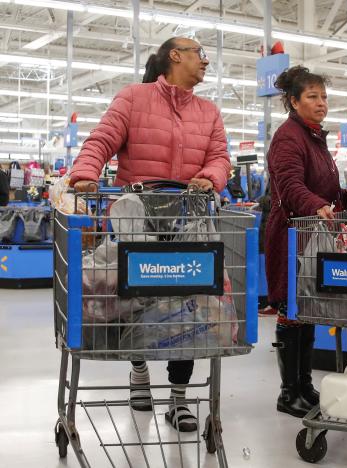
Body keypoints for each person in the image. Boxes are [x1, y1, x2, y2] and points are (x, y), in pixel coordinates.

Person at [69, 36, 231, 430]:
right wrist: (85, 174)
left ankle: (178, 399)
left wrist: (211, 177)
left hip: (188, 219)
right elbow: (102, 138)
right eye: (200, 54)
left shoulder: (208, 111)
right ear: (175, 56)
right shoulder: (134, 98)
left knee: (190, 303)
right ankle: (139, 373)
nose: (205, 62)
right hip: (136, 217)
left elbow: (220, 156)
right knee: (133, 298)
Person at [264, 66, 347, 418]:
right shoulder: (289, 136)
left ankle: (305, 384)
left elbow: (323, 185)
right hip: (291, 236)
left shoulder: (314, 137)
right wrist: (316, 205)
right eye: (312, 97)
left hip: (314, 235)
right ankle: (288, 393)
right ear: (293, 101)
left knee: (308, 310)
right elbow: (289, 185)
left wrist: (345, 201)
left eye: (324, 97)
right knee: (292, 310)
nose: (321, 103)